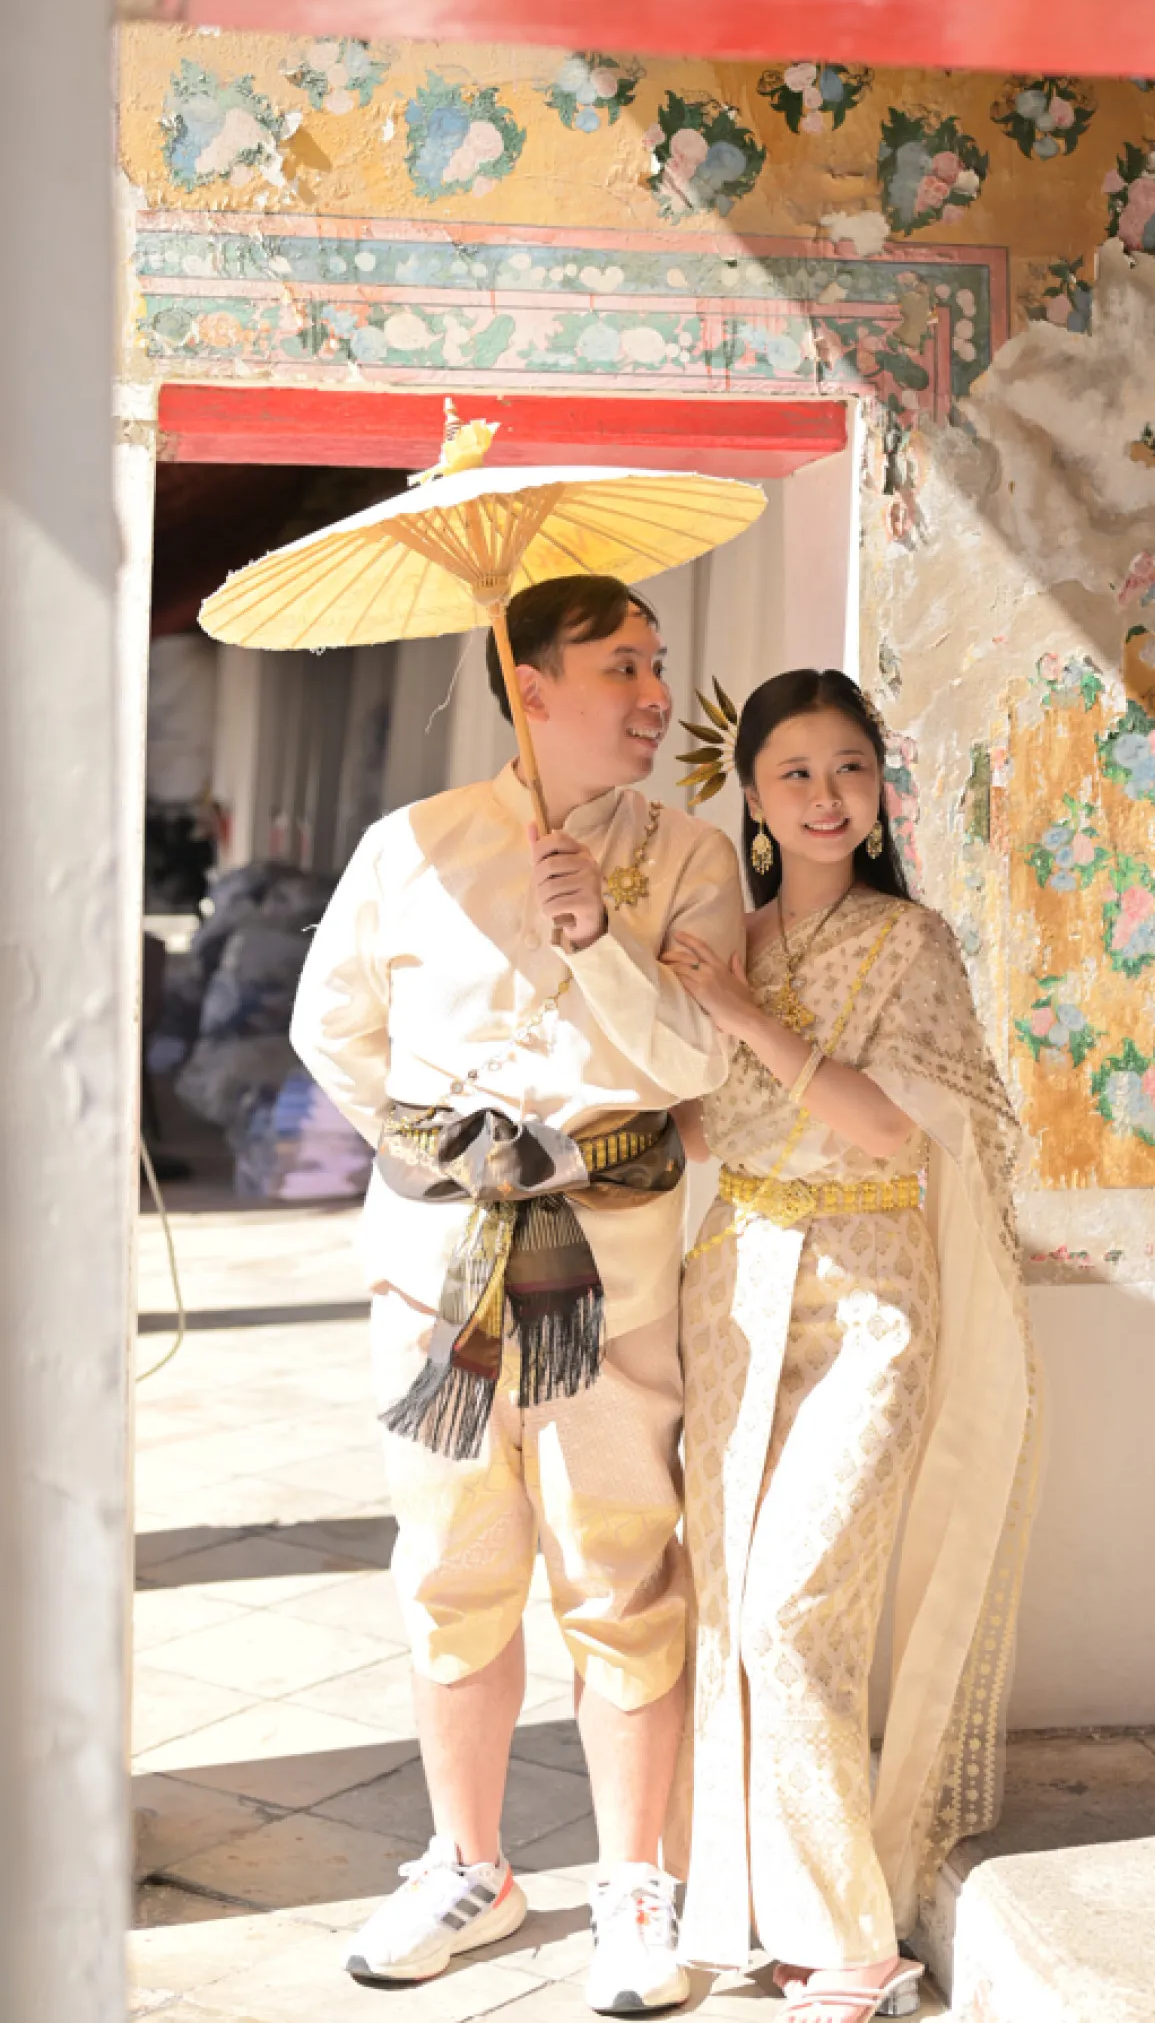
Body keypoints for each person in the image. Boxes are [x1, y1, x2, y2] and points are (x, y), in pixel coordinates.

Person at [291, 575, 744, 2004]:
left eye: (658, 663)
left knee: (621, 1569)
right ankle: (468, 1867)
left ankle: (636, 1887)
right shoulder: (410, 845)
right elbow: (332, 1028)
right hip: (439, 1278)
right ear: (531, 685)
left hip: (612, 1276)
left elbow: (698, 1062)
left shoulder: (689, 858)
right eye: (622, 666)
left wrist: (596, 940)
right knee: (450, 1569)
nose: (655, 694)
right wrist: (444, 1151)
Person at [660, 670, 1039, 2023]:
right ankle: (757, 1910)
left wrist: (741, 1017)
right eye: (796, 774)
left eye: (850, 769)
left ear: (880, 790)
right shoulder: (717, 941)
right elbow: (700, 1123)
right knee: (727, 1602)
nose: (827, 797)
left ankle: (855, 1948)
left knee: (794, 1609)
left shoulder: (911, 942)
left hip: (875, 1296)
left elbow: (887, 1128)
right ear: (752, 799)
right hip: (734, 1288)